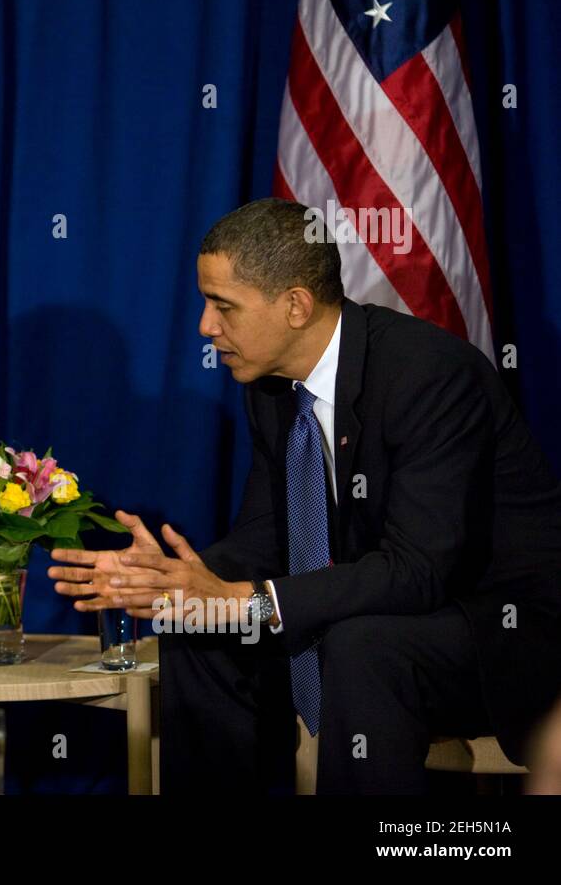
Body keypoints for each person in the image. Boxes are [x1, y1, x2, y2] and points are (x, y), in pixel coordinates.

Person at [48, 198, 561, 794]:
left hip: (496, 629)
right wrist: (176, 580)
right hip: (378, 608)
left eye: (223, 306)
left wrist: (248, 600)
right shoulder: (269, 385)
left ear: (295, 304)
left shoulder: (429, 375)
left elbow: (420, 570)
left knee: (362, 645)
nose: (205, 328)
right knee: (199, 627)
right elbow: (267, 538)